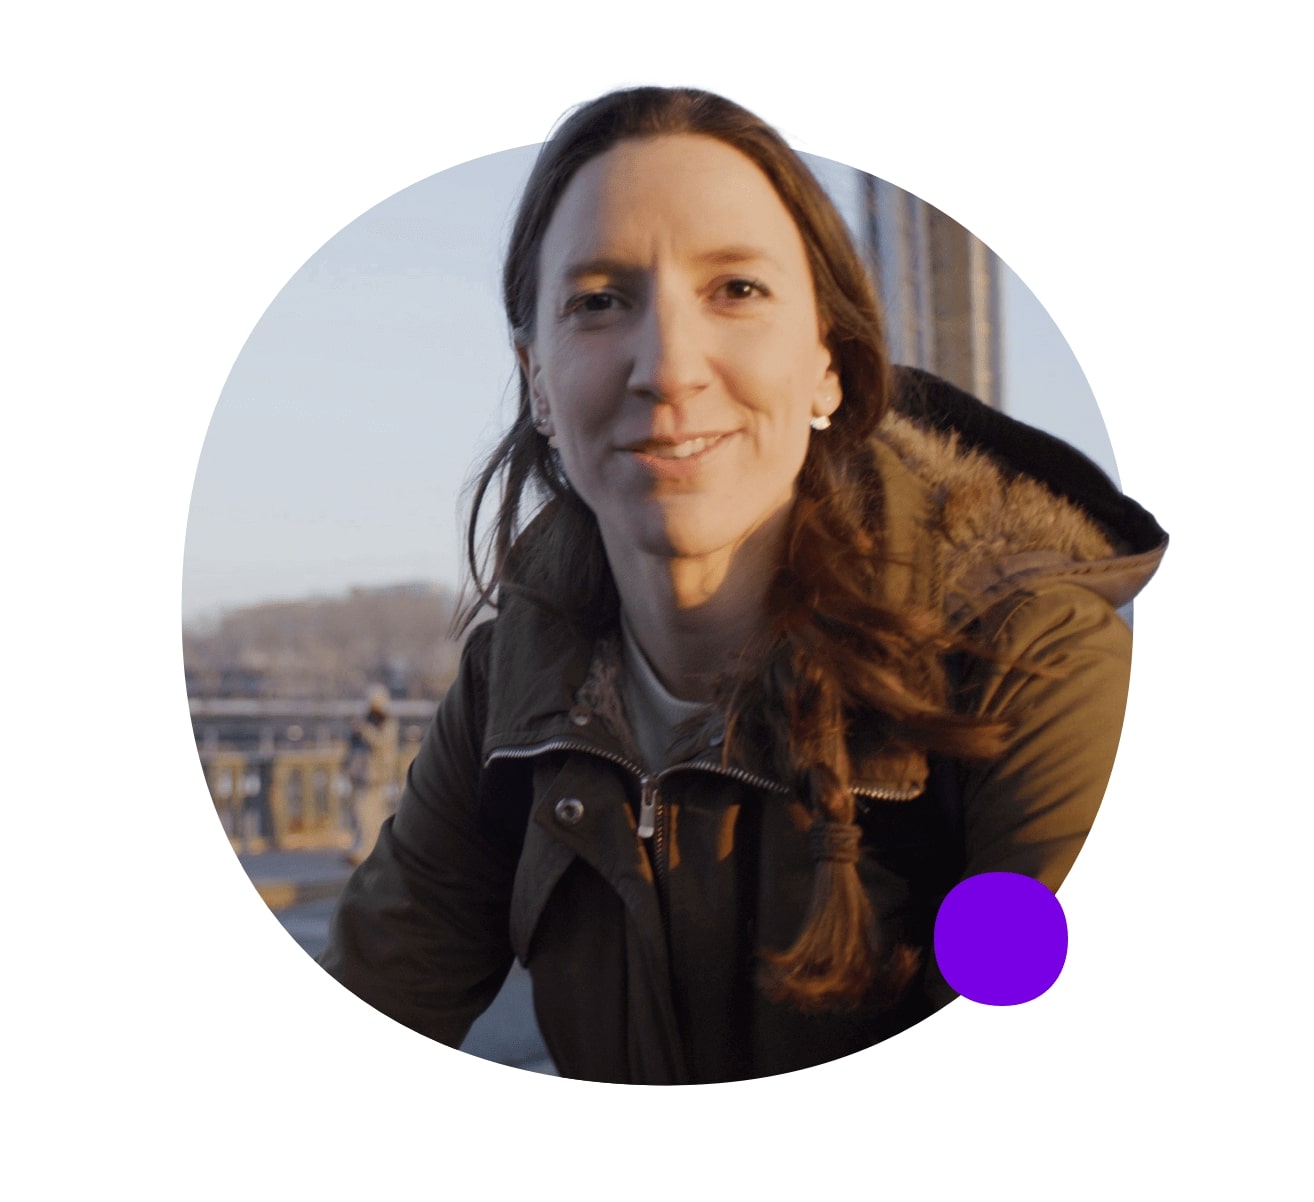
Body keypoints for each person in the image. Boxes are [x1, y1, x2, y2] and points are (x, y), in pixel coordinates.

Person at [318, 86, 1167, 1084]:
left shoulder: (1017, 667)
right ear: (537, 381)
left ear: (829, 365)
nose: (670, 367)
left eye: (737, 290)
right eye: (599, 300)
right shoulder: (520, 689)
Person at [344, 683, 399, 866]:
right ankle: (364, 848)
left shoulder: (387, 723)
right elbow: (356, 749)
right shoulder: (367, 720)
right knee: (361, 813)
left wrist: (364, 730)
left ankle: (367, 850)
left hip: (377, 776)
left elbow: (382, 743)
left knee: (369, 814)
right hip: (362, 775)